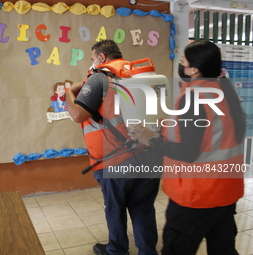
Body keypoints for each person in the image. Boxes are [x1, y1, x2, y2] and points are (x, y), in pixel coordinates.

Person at [130, 40, 246, 255]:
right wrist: (164, 130)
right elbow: (211, 135)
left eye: (182, 61)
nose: (180, 66)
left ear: (194, 69)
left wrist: (151, 141)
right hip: (226, 191)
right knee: (223, 250)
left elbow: (188, 152)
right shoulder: (224, 91)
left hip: (197, 196)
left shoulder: (194, 98)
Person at [66, 39, 161, 255]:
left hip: (115, 160)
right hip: (149, 155)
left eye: (92, 59)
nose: (91, 64)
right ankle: (148, 251)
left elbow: (77, 114)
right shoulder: (141, 74)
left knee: (115, 208)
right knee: (144, 208)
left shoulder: (99, 77)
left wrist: (69, 93)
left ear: (101, 58)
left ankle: (117, 250)